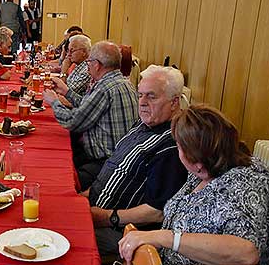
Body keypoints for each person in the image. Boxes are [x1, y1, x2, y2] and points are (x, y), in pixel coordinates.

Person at [119, 104, 269, 265]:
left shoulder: (245, 182)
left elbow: (247, 254)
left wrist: (166, 238)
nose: (197, 166)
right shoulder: (205, 168)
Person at [83, 65, 188, 258]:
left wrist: (107, 217)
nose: (142, 102)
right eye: (140, 95)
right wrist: (84, 196)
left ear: (174, 103)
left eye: (151, 96)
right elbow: (115, 169)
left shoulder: (172, 146)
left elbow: (157, 212)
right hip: (94, 208)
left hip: (122, 232)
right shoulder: (144, 123)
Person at [43, 41, 139, 190]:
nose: (88, 65)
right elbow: (89, 107)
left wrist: (54, 102)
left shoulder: (104, 87)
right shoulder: (123, 82)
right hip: (119, 157)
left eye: (89, 61)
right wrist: (66, 92)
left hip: (106, 163)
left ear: (97, 65)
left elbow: (74, 122)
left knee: (54, 173)